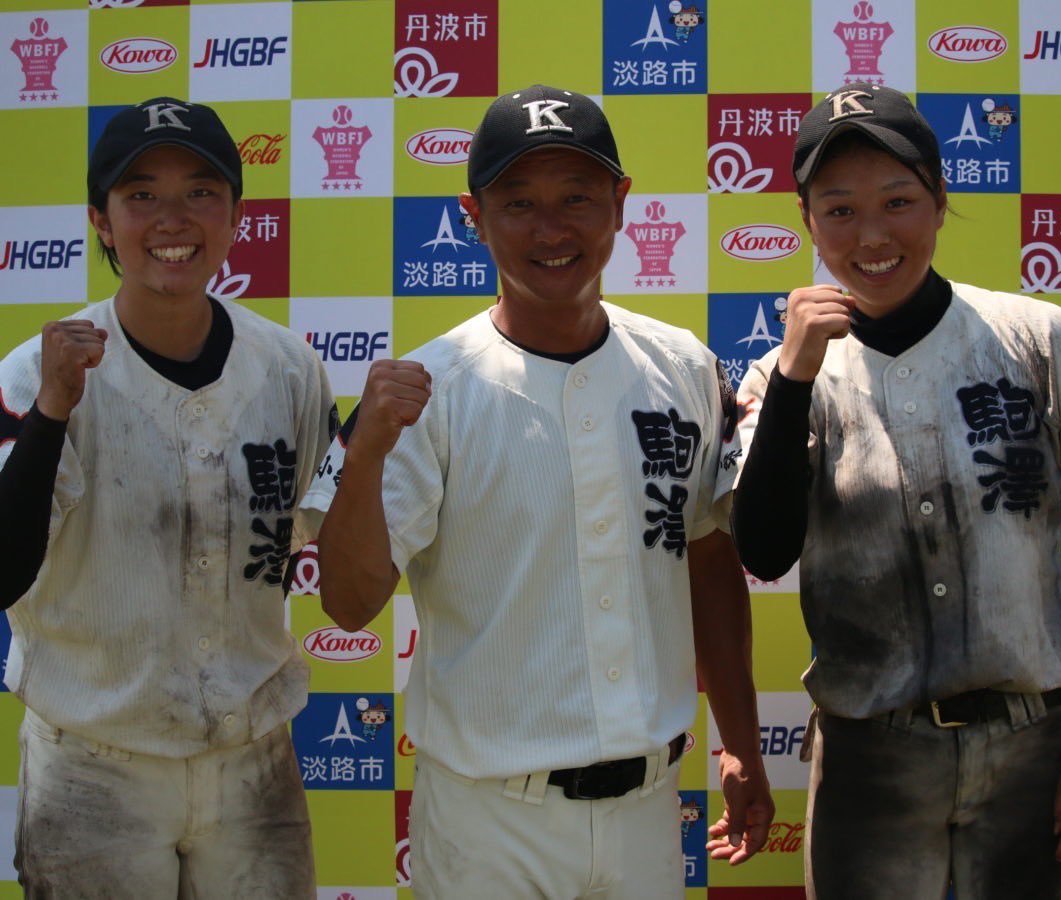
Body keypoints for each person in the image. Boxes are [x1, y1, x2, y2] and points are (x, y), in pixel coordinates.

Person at [301, 84, 773, 899]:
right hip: (491, 821)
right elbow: (347, 604)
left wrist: (741, 741)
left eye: (577, 198)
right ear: (473, 214)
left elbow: (707, 563)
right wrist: (369, 456)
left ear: (621, 205)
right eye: (518, 202)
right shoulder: (431, 387)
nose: (551, 229)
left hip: (648, 811)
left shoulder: (684, 367)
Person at [730, 82, 1061, 899]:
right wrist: (791, 381)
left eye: (898, 201)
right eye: (840, 210)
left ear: (939, 202)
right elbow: (763, 547)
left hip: (1038, 749)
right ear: (807, 222)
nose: (873, 235)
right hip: (870, 758)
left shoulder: (1039, 339)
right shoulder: (785, 374)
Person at [0, 97, 336, 898]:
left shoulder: (288, 368)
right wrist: (51, 411)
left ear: (234, 217)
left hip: (253, 757)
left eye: (201, 192)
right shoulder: (32, 373)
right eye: (140, 194)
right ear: (101, 222)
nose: (171, 218)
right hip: (93, 759)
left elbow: (325, 538)